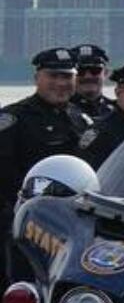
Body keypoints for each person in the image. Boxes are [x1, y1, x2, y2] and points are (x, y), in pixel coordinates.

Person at [1, 50, 95, 270]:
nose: (61, 83)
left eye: (67, 76)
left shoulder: (81, 119)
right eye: (53, 76)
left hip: (72, 225)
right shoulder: (15, 118)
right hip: (25, 224)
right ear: (37, 78)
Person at [70, 44, 112, 121]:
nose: (88, 76)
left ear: (106, 73)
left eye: (95, 70)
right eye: (80, 71)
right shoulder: (59, 110)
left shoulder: (118, 111)